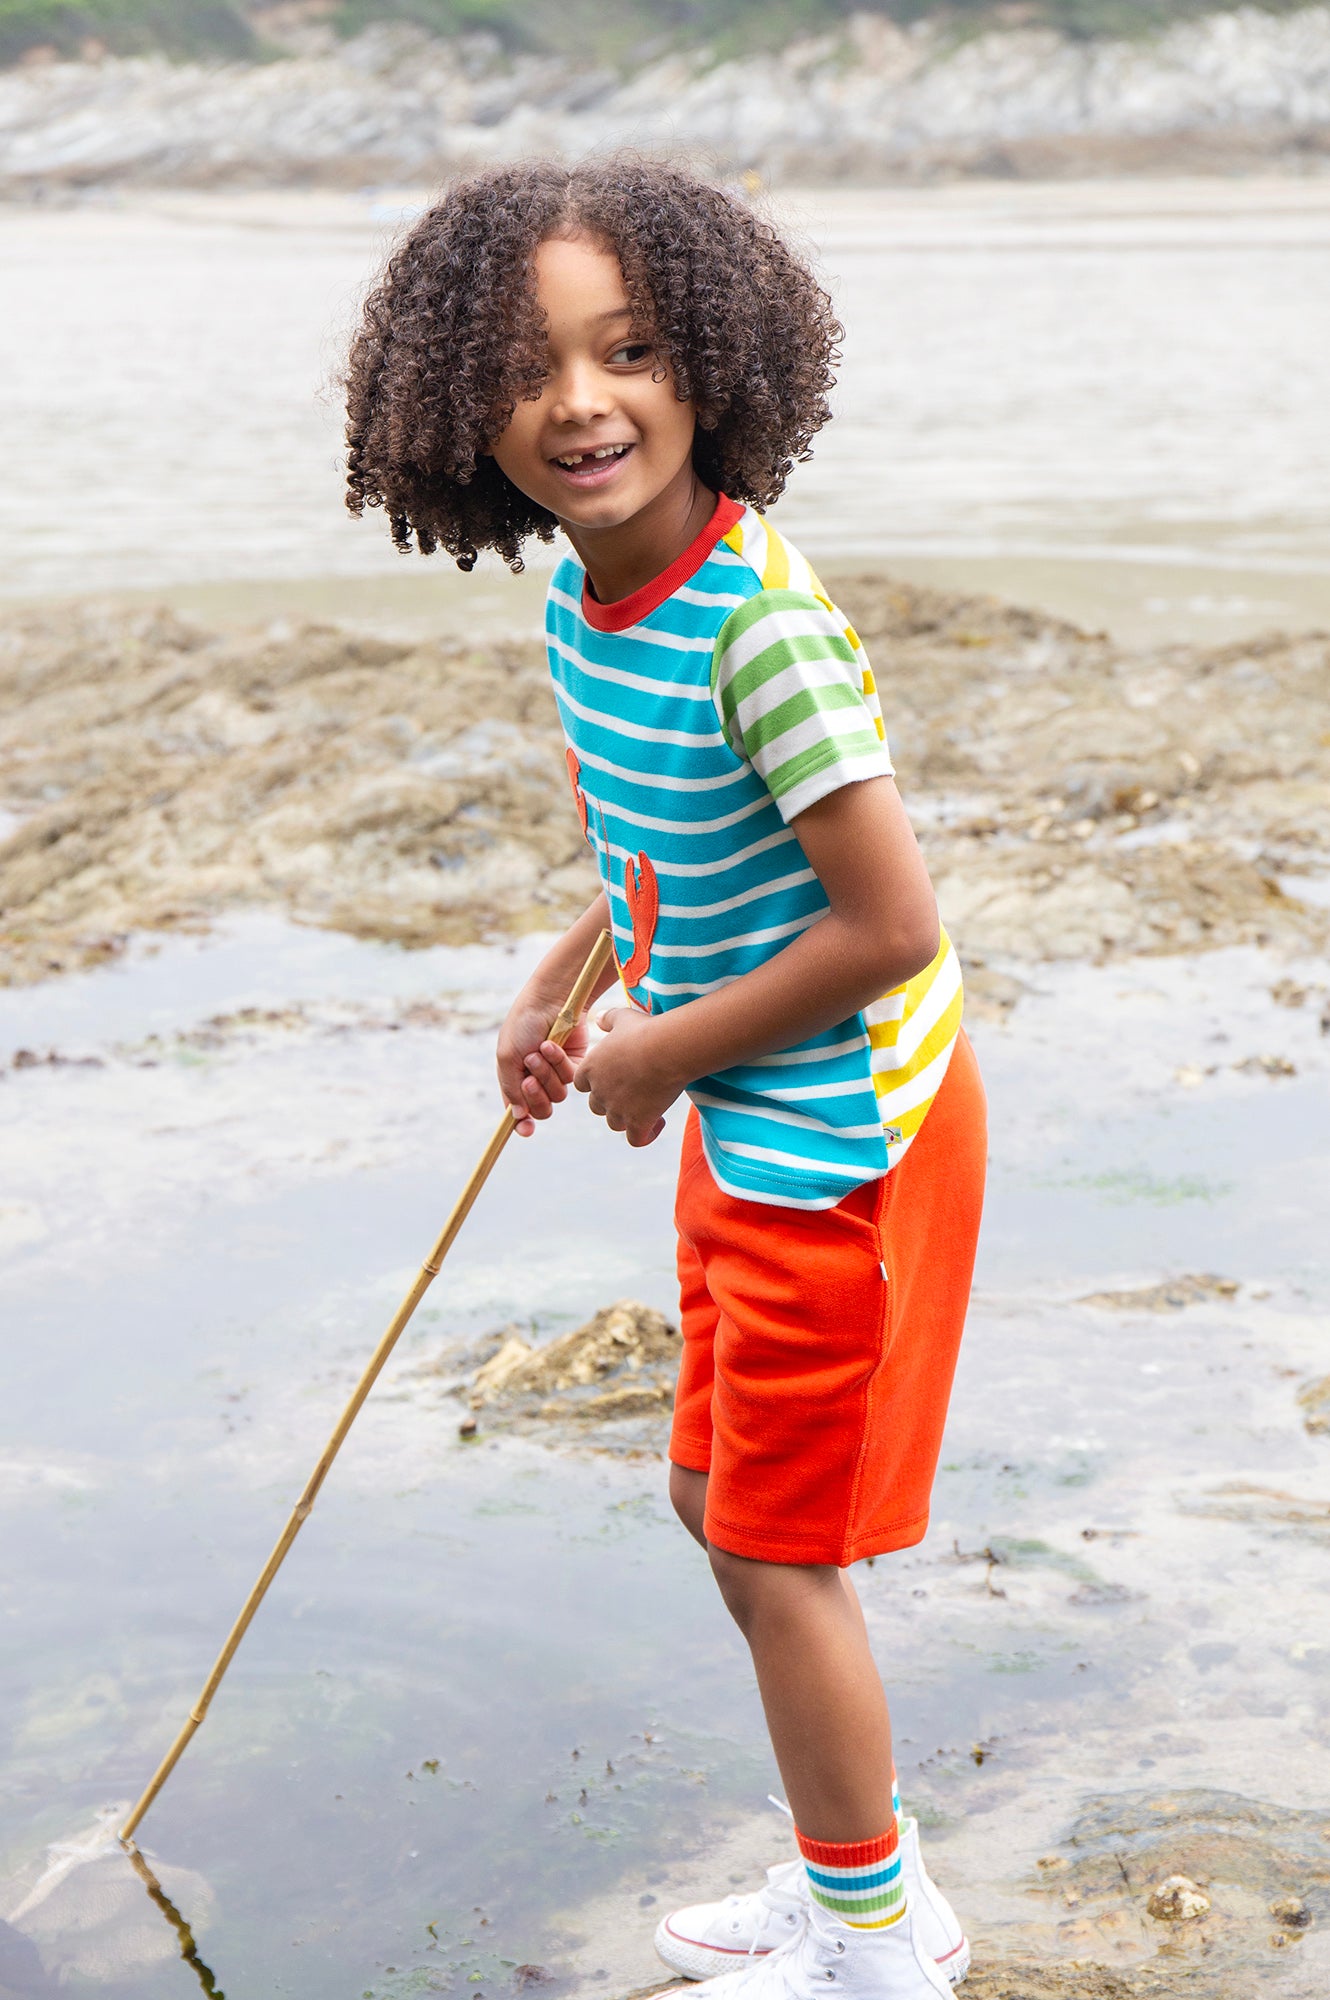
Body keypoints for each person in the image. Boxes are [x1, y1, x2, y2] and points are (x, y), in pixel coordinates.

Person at [345, 156, 987, 2000]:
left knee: (782, 1553)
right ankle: (862, 1874)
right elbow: (654, 859)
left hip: (843, 1131)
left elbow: (887, 923)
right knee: (716, 1506)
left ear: (714, 361)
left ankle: (874, 1951)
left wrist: (654, 1061)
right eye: (528, 366)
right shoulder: (586, 599)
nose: (580, 404)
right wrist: (558, 990)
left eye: (628, 351)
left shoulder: (755, 627)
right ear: (454, 404)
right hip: (747, 1109)